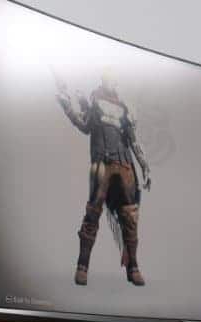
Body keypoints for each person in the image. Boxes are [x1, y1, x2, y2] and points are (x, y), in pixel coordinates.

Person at [56, 69, 151, 286]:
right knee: (93, 212)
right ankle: (82, 266)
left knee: (130, 216)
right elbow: (85, 125)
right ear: (103, 78)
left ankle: (133, 267)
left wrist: (145, 166)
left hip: (125, 165)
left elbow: (134, 141)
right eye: (107, 76)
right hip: (102, 163)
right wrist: (67, 105)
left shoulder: (125, 107)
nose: (111, 80)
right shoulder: (94, 100)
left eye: (113, 76)